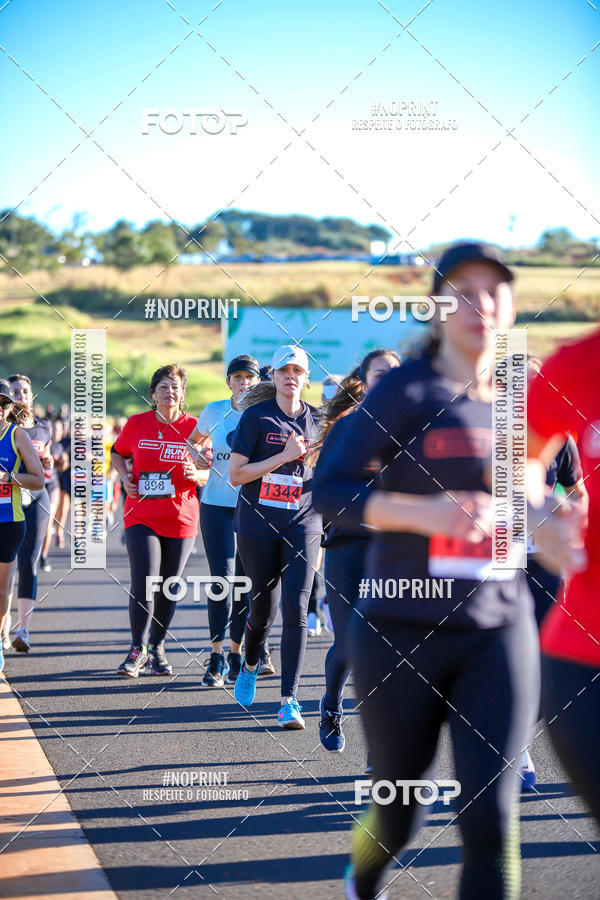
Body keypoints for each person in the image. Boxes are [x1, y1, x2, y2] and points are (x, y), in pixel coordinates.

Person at [313, 242, 540, 899]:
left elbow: (519, 510)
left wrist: (552, 525)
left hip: (497, 628)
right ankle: (363, 879)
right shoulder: (406, 390)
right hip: (400, 628)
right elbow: (328, 490)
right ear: (438, 308)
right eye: (462, 290)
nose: (480, 304)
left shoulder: (514, 399)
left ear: (511, 306)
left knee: (492, 820)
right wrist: (423, 514)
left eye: (493, 290)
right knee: (397, 806)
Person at [527, 327, 600, 825]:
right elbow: (513, 465)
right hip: (582, 648)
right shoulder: (577, 364)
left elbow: (578, 488)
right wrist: (539, 516)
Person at [230, 344, 323, 728]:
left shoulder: (319, 421)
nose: (290, 377)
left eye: (297, 371)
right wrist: (283, 457)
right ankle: (250, 664)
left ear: (305, 378)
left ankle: (290, 700)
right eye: (283, 370)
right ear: (274, 376)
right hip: (257, 524)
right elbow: (237, 475)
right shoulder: (255, 417)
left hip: (303, 522)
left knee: (296, 609)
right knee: (262, 609)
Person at [312, 349, 400, 752]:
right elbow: (324, 491)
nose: (388, 380)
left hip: (397, 549)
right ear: (363, 382)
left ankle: (384, 745)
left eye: (395, 374)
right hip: (348, 543)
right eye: (380, 374)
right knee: (349, 643)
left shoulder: (415, 428)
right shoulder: (346, 429)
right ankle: (331, 704)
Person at [111, 364, 203, 677]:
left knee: (168, 586)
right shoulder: (136, 424)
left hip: (181, 517)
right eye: (163, 386)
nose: (169, 392)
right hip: (141, 514)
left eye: (175, 386)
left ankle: (157, 646)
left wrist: (199, 473)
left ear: (183, 393)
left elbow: (213, 467)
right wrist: (124, 477)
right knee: (145, 580)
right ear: (153, 393)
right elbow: (117, 453)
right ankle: (137, 649)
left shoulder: (196, 427)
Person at [521, 357, 587, 789]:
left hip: (542, 562)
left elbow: (578, 491)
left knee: (544, 662)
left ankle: (514, 737)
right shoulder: (483, 431)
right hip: (490, 562)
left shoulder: (561, 437)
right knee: (504, 658)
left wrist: (567, 511)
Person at [187, 354, 270, 687]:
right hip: (216, 505)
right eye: (238, 377)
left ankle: (237, 655)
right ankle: (216, 657)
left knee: (243, 583)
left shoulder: (264, 413)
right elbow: (193, 441)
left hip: (250, 508)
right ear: (228, 381)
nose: (244, 382)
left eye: (250, 377)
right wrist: (198, 456)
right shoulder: (215, 411)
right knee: (221, 581)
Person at [6, 375, 54, 653]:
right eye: (15, 391)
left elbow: (44, 462)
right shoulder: (5, 428)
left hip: (36, 496)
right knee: (6, 563)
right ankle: (4, 624)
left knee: (28, 561)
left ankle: (23, 630)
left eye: (25, 390)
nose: (21, 395)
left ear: (32, 396)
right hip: (8, 498)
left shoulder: (43, 428)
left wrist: (47, 460)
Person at [0, 380, 44, 671]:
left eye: (3, 404)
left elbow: (38, 479)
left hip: (8, 521)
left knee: (1, 588)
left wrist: (7, 479)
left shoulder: (17, 436)